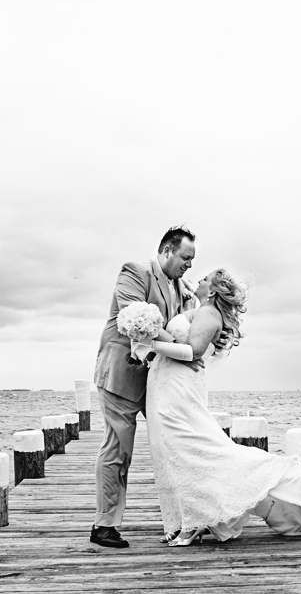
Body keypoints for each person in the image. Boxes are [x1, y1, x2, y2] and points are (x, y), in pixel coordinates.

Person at [133, 269, 301, 546]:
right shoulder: (202, 307)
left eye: (205, 278)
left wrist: (150, 340)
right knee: (179, 451)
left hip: (177, 388)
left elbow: (192, 351)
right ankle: (191, 518)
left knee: (190, 450)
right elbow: (186, 315)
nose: (199, 279)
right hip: (168, 383)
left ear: (213, 291)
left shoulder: (208, 313)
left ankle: (194, 521)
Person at [90, 226, 198, 548]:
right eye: (185, 258)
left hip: (157, 382)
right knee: (118, 450)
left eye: (192, 260)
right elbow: (137, 321)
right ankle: (104, 526)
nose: (189, 265)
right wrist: (186, 353)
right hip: (121, 376)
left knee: (178, 443)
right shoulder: (135, 272)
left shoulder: (181, 288)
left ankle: (188, 517)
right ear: (167, 251)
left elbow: (181, 327)